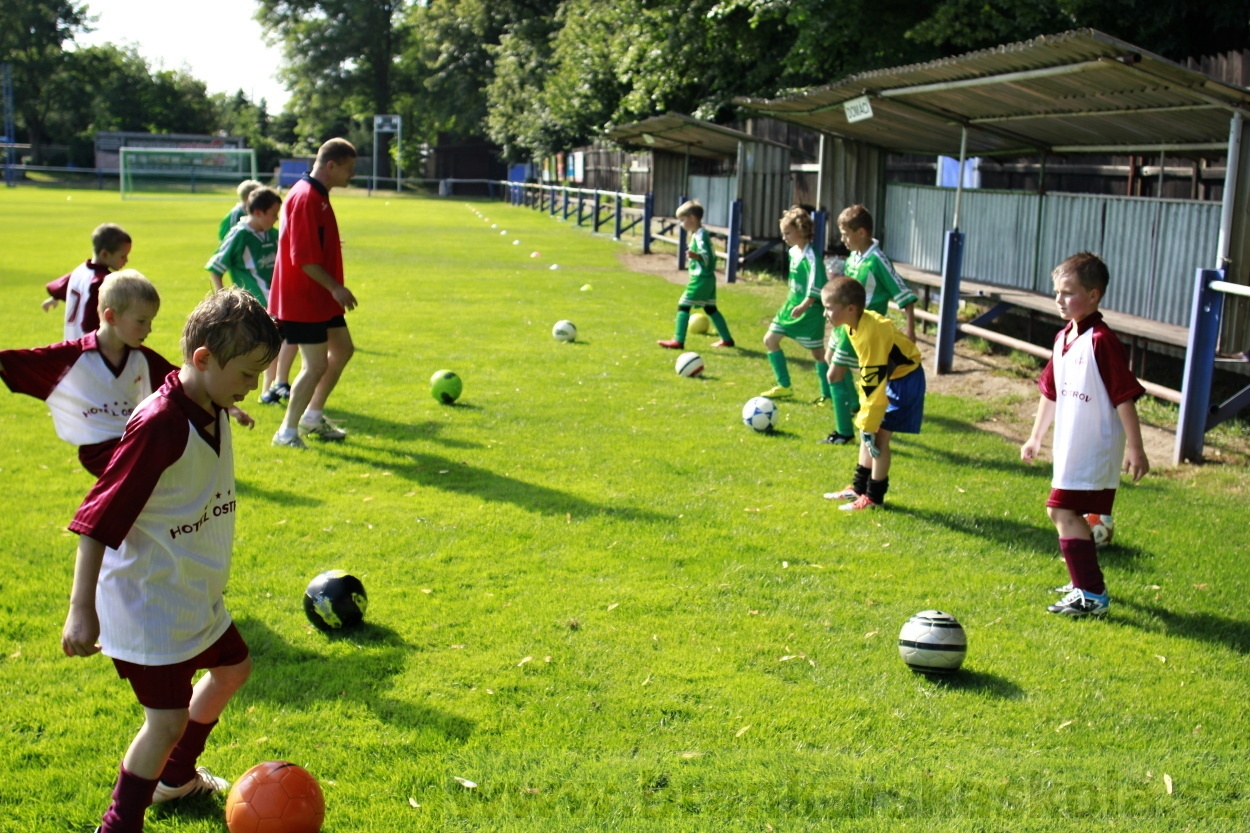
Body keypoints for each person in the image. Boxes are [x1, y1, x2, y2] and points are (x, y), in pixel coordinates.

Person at [61, 287, 281, 833]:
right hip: (149, 602)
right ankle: (118, 824)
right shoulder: (159, 425)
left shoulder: (210, 401)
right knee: (165, 720)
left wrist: (229, 405)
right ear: (204, 359)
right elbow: (96, 521)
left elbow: (213, 405)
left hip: (192, 594)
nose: (253, 387)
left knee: (233, 669)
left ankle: (175, 779)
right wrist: (79, 611)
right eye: (248, 375)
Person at [2, 272, 256, 477]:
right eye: (142, 321)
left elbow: (188, 384)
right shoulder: (70, 358)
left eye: (151, 321)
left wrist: (231, 408)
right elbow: (15, 362)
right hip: (101, 452)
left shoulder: (142, 358)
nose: (149, 329)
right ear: (111, 316)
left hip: (133, 443)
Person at [1021, 252, 1148, 617]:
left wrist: (1136, 449)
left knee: (1060, 510)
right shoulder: (1064, 337)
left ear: (1094, 295)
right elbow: (1051, 393)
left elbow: (1125, 398)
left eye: (1068, 293)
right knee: (1064, 511)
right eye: (1057, 293)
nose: (1060, 300)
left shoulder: (1102, 341)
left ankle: (1091, 594)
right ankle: (1083, 583)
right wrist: (1035, 438)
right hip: (1070, 446)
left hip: (1094, 447)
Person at [269, 138, 358, 448]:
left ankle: (312, 414)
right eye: (348, 168)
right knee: (316, 365)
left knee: (343, 349)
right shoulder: (306, 196)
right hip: (303, 298)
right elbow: (303, 259)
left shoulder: (317, 195)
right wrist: (335, 287)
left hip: (320, 297)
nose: (352, 175)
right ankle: (287, 432)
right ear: (330, 166)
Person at [820, 276, 925, 512]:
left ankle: (874, 497)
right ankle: (858, 489)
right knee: (868, 430)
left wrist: (867, 422)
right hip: (890, 378)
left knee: (878, 437)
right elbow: (871, 378)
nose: (824, 313)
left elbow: (873, 381)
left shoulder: (870, 334)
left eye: (828, 308)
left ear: (850, 308)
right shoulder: (852, 324)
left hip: (905, 381)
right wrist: (865, 422)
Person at [823, 205, 918, 445]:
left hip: (866, 328)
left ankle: (844, 432)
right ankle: (853, 405)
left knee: (834, 374)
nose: (842, 239)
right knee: (828, 358)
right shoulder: (855, 256)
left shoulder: (877, 260)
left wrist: (911, 330)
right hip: (847, 324)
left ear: (862, 232)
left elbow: (903, 292)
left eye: (846, 234)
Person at [205, 185, 298, 401]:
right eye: (273, 214)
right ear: (258, 212)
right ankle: (270, 388)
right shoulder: (240, 235)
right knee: (276, 342)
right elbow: (215, 268)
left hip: (279, 300)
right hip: (257, 302)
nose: (276, 219)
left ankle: (271, 389)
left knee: (280, 342)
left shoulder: (272, 235)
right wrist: (223, 300)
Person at [761, 206, 828, 401]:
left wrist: (805, 304)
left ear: (802, 230)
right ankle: (784, 385)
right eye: (783, 233)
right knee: (770, 340)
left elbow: (817, 283)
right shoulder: (793, 252)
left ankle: (827, 394)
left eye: (788, 233)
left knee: (818, 353)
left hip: (809, 310)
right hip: (791, 306)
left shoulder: (812, 256)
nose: (785, 237)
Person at [657, 200, 734, 349]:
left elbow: (709, 257)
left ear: (692, 218)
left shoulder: (701, 236)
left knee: (683, 306)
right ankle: (727, 339)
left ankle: (678, 341)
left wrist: (696, 256)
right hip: (707, 279)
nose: (681, 224)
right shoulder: (700, 234)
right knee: (710, 309)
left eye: (682, 220)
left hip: (701, 278)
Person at [43, 223, 132, 341]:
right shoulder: (101, 282)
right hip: (87, 350)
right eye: (122, 256)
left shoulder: (81, 270)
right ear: (104, 254)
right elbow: (90, 324)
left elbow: (59, 288)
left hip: (71, 344)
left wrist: (54, 298)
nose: (126, 260)